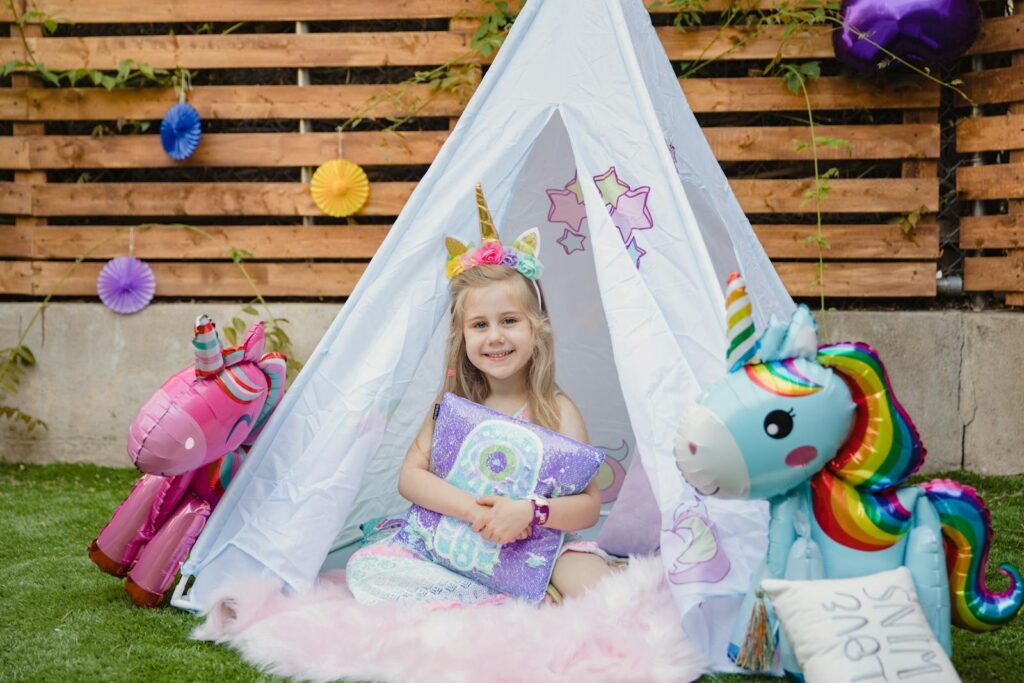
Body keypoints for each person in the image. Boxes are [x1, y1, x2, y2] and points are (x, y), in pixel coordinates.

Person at [345, 185, 614, 606]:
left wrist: (529, 512)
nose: (496, 337)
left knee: (595, 586)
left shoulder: (556, 410)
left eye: (509, 320)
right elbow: (410, 478)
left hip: (535, 546)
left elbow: (588, 506)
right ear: (462, 335)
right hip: (458, 541)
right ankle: (502, 599)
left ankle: (524, 592)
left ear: (536, 328)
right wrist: (477, 513)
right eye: (480, 325)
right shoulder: (453, 403)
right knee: (367, 569)